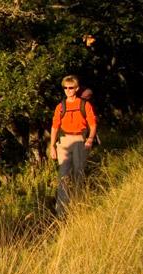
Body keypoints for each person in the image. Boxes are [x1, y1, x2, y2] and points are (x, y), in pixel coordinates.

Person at [48, 75, 98, 214]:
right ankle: (61, 212)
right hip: (63, 142)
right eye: (65, 88)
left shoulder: (84, 104)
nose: (68, 90)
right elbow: (54, 127)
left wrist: (90, 139)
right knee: (63, 175)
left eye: (71, 87)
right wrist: (52, 146)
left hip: (80, 141)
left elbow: (92, 125)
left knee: (78, 174)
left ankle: (78, 206)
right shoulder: (60, 107)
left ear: (76, 88)